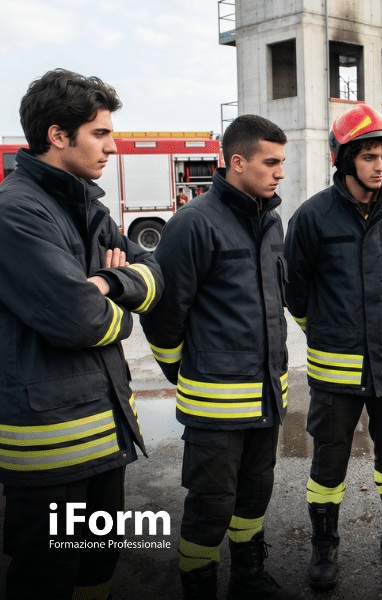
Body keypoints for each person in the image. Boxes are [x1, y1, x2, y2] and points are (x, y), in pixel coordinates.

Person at [0, 69, 163, 600]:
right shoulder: (16, 212)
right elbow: (81, 319)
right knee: (46, 580)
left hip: (104, 436)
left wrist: (109, 282)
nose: (113, 147)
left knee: (97, 572)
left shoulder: (89, 207)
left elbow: (154, 276)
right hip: (50, 450)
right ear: (57, 135)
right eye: (100, 133)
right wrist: (121, 312)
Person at [140, 115, 296, 600]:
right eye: (271, 162)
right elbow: (164, 315)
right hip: (215, 406)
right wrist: (184, 370)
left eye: (282, 162)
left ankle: (249, 578)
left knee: (254, 496)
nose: (280, 172)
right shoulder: (194, 223)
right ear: (238, 162)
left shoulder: (271, 220)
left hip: (266, 399)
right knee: (210, 507)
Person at [283, 104, 382, 592]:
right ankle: (325, 545)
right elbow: (296, 292)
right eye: (369, 156)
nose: (379, 165)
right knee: (329, 462)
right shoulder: (312, 218)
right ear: (344, 160)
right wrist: (328, 331)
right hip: (335, 372)